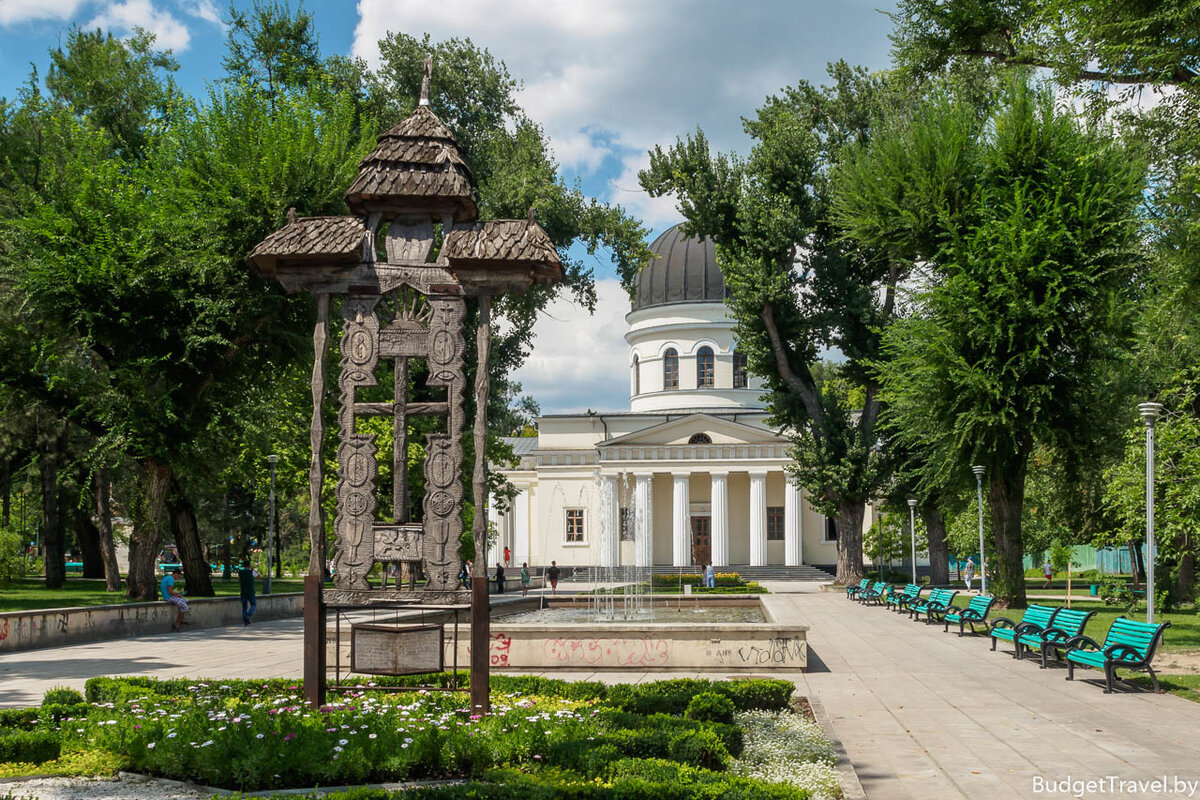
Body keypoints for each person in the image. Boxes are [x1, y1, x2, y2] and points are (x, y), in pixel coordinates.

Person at [236, 559, 257, 626]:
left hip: (243, 591)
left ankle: (245, 619)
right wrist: (253, 570)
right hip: (250, 591)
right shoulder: (251, 572)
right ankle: (249, 614)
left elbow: (239, 579)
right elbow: (258, 576)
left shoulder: (240, 572)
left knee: (244, 607)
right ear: (249, 565)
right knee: (253, 604)